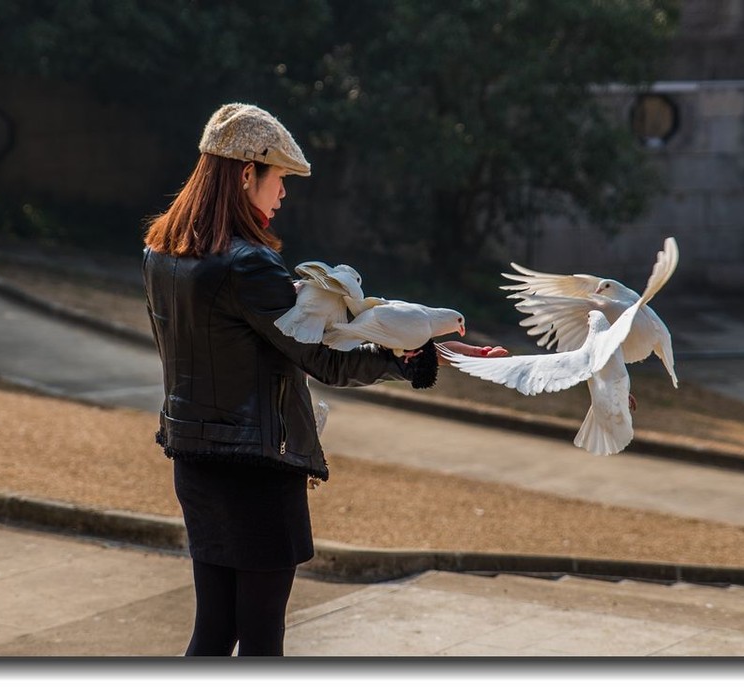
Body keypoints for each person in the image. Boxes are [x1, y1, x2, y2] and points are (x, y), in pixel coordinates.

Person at [142, 103, 505, 656]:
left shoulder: (162, 254)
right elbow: (324, 359)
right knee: (262, 642)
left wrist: (408, 345)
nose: (283, 193)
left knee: (213, 632)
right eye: (280, 179)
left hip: (194, 460)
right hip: (256, 468)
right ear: (246, 174)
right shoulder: (248, 266)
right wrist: (401, 356)